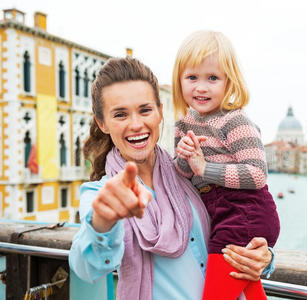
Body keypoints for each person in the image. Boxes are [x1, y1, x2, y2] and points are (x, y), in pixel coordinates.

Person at [68, 57, 275, 300]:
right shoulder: (99, 194)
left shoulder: (191, 173)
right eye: (121, 115)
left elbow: (235, 223)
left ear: (159, 113)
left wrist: (264, 257)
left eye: (145, 110)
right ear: (102, 123)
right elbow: (85, 267)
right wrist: (103, 221)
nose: (136, 124)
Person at [172, 31, 280, 300]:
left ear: (228, 83)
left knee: (217, 295)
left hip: (245, 210)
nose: (201, 87)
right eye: (192, 77)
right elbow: (184, 174)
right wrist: (184, 159)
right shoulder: (184, 125)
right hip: (221, 213)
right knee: (246, 287)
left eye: (212, 78)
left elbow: (257, 174)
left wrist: (204, 168)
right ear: (179, 81)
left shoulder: (235, 121)